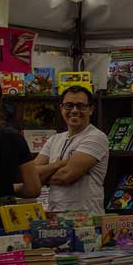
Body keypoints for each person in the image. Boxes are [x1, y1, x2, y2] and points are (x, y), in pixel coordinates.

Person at [35, 85, 109, 213]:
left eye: (81, 106)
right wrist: (59, 164)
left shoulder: (96, 137)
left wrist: (42, 175)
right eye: (69, 105)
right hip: (54, 216)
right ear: (61, 109)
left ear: (91, 110)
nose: (74, 110)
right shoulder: (54, 139)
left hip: (87, 219)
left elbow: (66, 175)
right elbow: (32, 172)